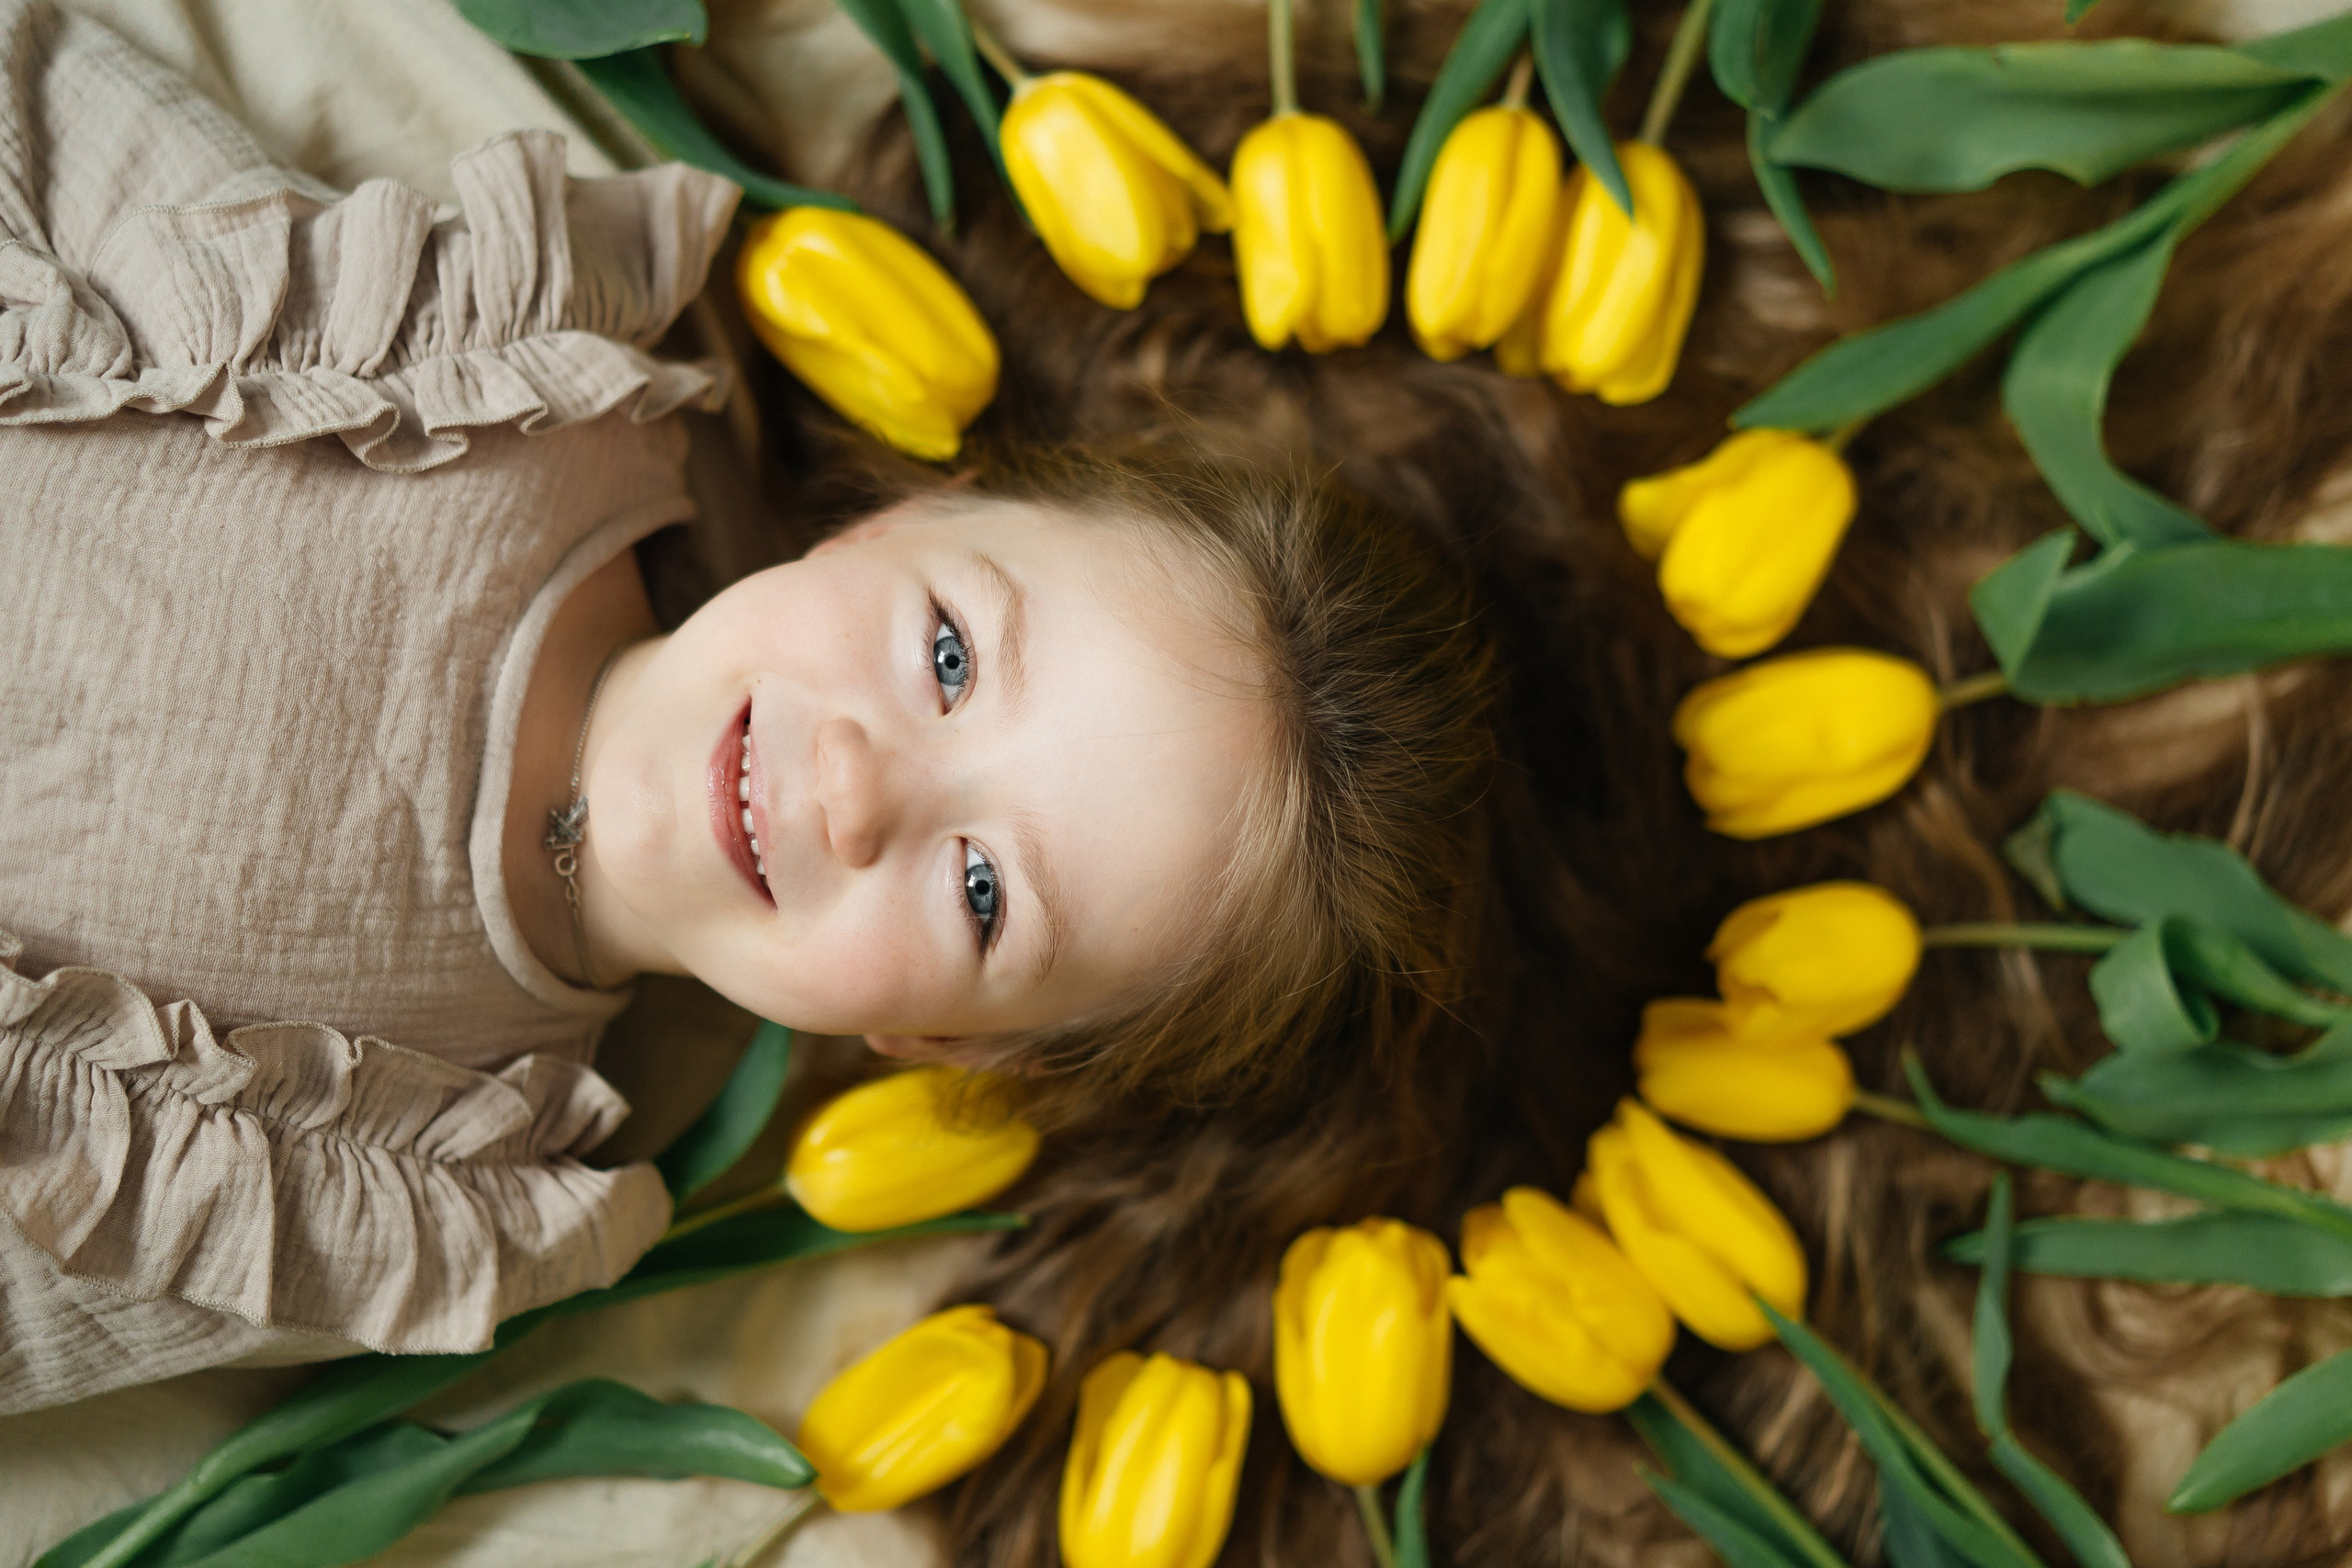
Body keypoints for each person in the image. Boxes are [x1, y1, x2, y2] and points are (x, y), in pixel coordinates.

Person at [0, 0, 1498, 1415]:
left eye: (982, 892)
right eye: (951, 658)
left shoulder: (397, 1178)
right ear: (901, 519)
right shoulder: (495, 364)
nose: (856, 788)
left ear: (944, 1048)